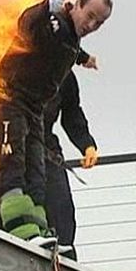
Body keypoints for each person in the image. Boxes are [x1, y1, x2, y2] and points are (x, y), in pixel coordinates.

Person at [0, 0, 112, 244]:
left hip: (34, 109)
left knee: (37, 177)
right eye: (89, 16)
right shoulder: (53, 23)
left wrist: (86, 59)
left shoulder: (71, 43)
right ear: (76, 5)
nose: (91, 25)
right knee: (12, 167)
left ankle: (39, 233)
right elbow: (28, 25)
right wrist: (46, 6)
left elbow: (69, 52)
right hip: (8, 98)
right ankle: (20, 230)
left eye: (98, 23)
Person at [43, 70, 98, 260]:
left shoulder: (64, 72)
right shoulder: (16, 61)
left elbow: (72, 112)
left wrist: (87, 145)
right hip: (14, 149)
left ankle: (64, 259)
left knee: (61, 207)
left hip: (46, 150)